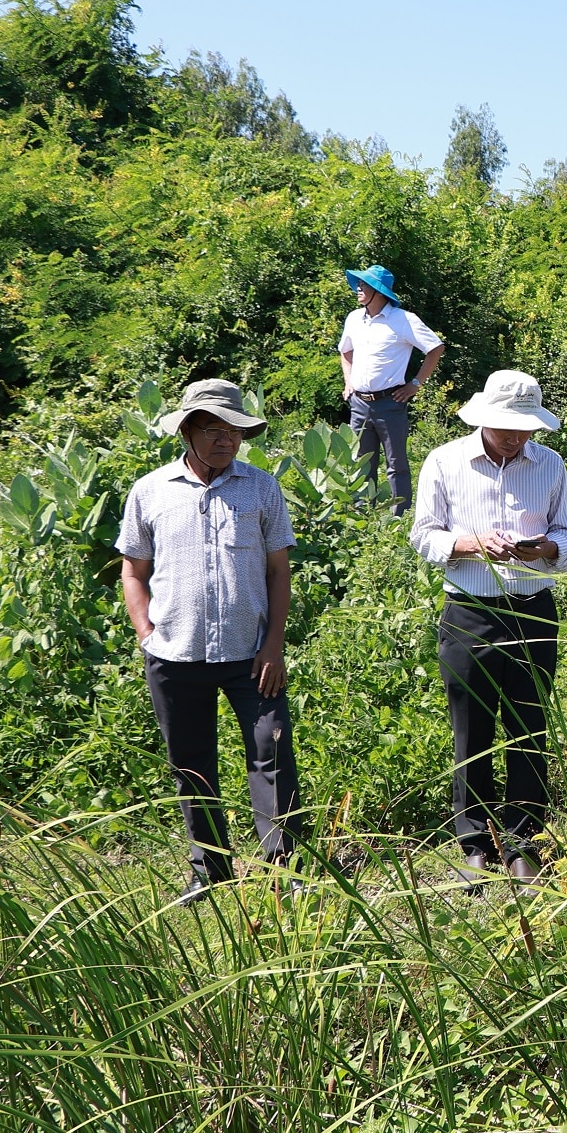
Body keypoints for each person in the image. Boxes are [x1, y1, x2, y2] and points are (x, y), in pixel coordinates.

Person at [116, 379, 303, 904]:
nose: (227, 441)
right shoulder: (150, 491)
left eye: (235, 432)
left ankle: (283, 869)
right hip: (175, 654)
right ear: (188, 431)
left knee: (272, 751)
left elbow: (277, 571)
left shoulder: (261, 487)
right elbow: (133, 571)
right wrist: (146, 633)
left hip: (251, 653)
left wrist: (273, 646)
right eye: (215, 430)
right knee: (192, 764)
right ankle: (210, 868)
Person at [411, 370, 567, 885]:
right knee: (472, 729)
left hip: (532, 609)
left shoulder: (549, 465)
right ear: (483, 419)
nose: (516, 437)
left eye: (525, 428)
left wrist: (542, 548)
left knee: (530, 726)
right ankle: (475, 840)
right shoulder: (445, 462)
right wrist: (473, 543)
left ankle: (525, 838)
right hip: (469, 611)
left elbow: (566, 536)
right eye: (507, 427)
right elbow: (423, 536)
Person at [338, 264, 446, 513]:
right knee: (360, 462)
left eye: (364, 285)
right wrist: (348, 382)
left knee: (396, 463)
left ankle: (400, 517)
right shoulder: (354, 318)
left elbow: (435, 348)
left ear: (379, 291)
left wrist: (415, 384)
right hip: (359, 403)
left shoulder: (404, 320)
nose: (358, 288)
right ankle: (362, 515)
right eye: (359, 284)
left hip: (390, 402)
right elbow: (345, 350)